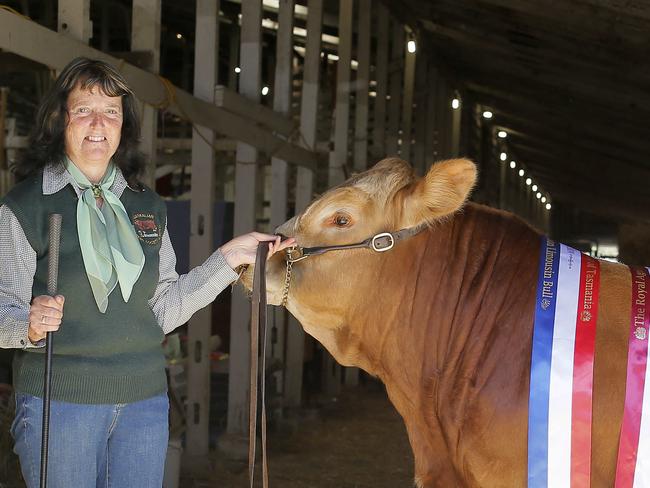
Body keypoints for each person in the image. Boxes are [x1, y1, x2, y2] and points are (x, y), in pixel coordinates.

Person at [0, 57, 293, 488]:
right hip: (61, 403)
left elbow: (163, 309)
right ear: (61, 119)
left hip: (144, 405)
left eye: (111, 112)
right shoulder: (26, 207)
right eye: (84, 109)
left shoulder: (146, 206)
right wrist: (29, 322)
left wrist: (229, 259)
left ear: (122, 126)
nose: (98, 122)